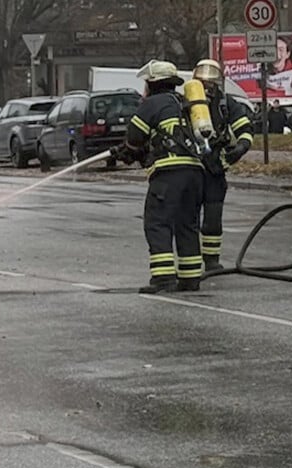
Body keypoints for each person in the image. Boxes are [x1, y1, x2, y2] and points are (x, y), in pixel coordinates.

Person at [111, 60, 205, 294]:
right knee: (187, 225)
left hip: (168, 173)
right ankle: (190, 278)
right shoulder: (185, 103)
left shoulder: (152, 104)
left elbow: (135, 138)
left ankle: (163, 278)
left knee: (157, 223)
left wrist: (127, 152)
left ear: (152, 84)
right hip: (194, 172)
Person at [193, 59, 254, 272]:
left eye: (211, 81)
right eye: (203, 81)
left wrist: (242, 146)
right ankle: (188, 262)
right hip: (190, 166)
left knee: (213, 216)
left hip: (215, 168)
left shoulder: (226, 104)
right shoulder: (185, 103)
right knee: (187, 218)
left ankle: (211, 260)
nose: (208, 85)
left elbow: (244, 127)